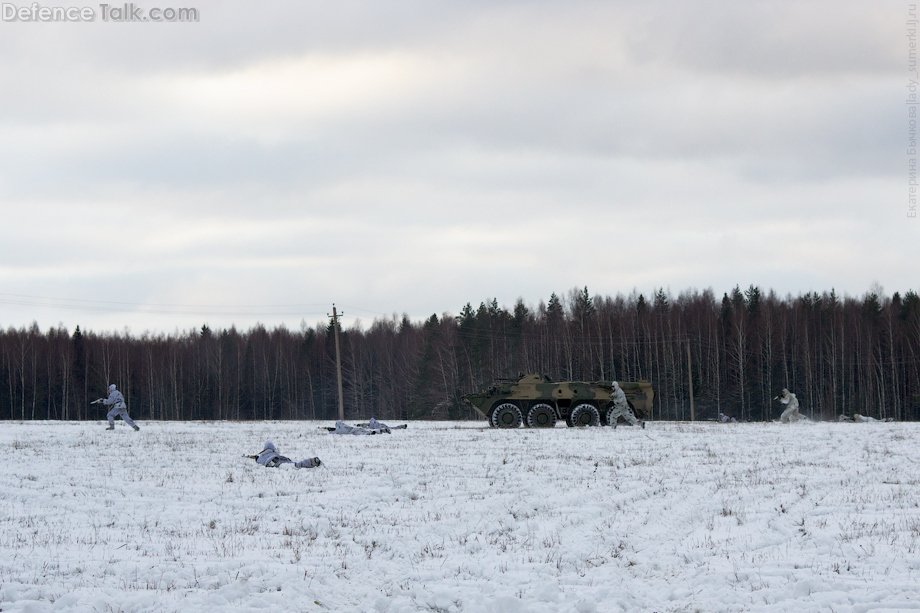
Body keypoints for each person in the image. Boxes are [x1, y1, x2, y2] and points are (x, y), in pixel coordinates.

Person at [245, 441, 322, 469]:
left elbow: (258, 460)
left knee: (295, 466)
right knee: (296, 465)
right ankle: (311, 462)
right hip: (278, 460)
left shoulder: (261, 456)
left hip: (272, 462)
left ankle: (311, 462)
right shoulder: (272, 452)